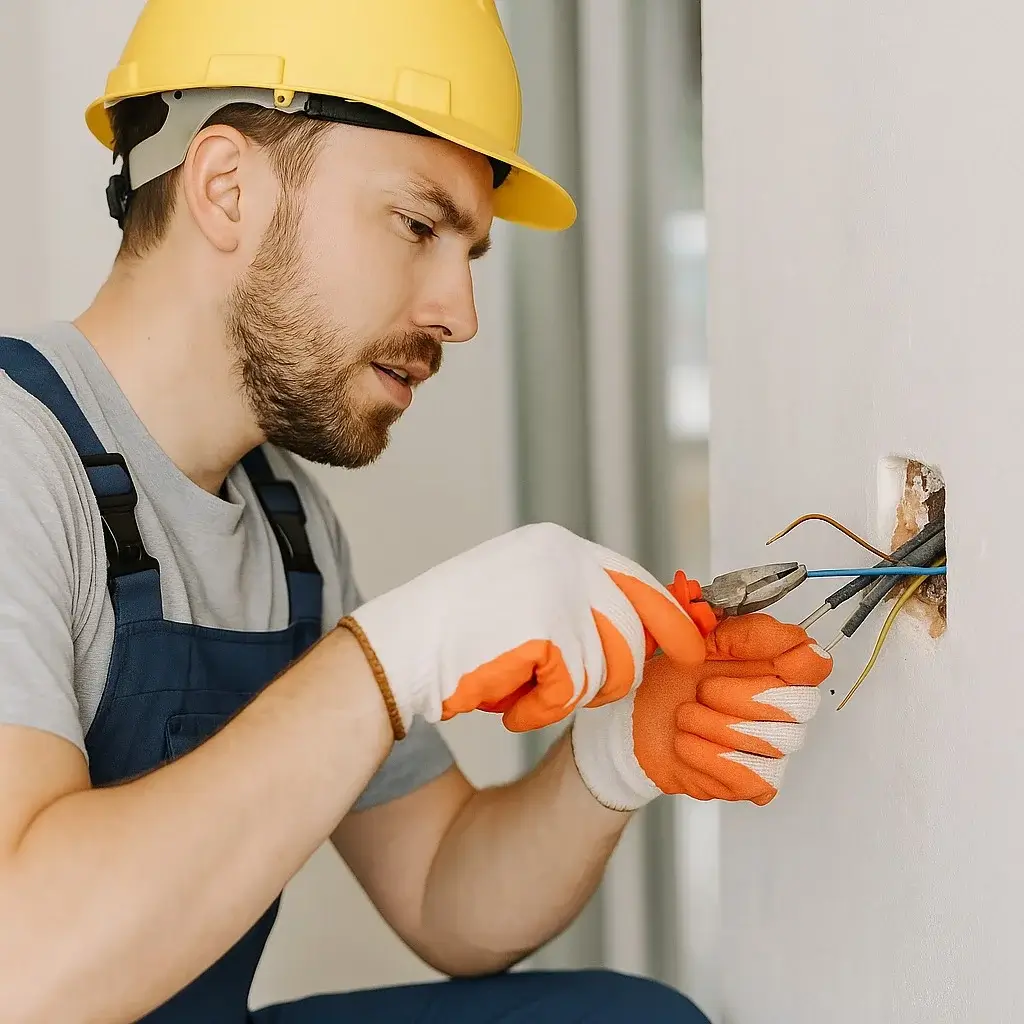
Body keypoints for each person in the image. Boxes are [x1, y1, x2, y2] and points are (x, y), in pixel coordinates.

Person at [0, 2, 833, 1021]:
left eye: (469, 252)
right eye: (418, 224)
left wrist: (612, 759)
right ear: (225, 188)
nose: (460, 311)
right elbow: (21, 967)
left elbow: (444, 891)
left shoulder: (282, 522)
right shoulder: (17, 458)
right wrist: (391, 658)